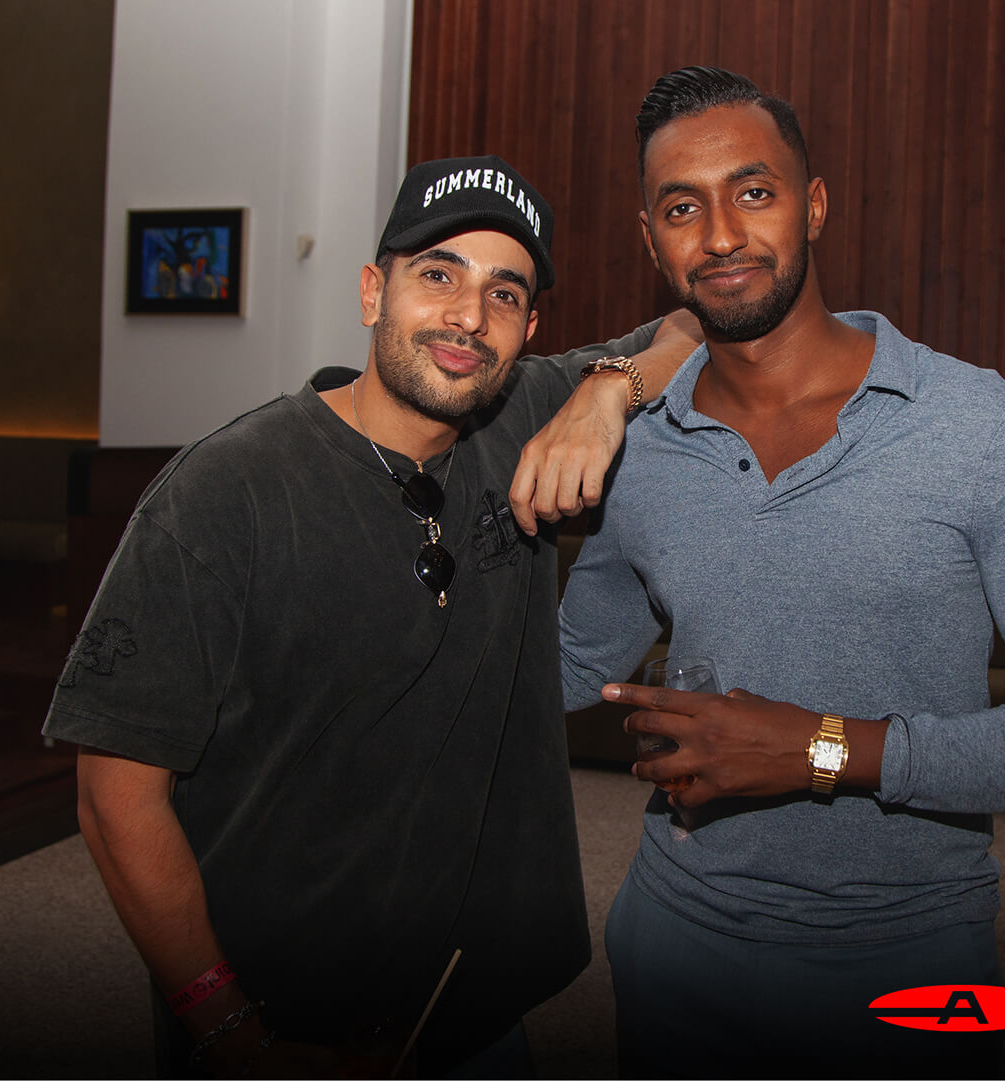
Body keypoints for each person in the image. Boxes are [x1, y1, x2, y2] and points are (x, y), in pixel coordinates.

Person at [556, 67, 1005, 1076]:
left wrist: (823, 749)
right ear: (650, 238)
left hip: (907, 967)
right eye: (682, 207)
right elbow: (571, 662)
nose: (721, 235)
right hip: (671, 948)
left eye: (754, 192)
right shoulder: (641, 447)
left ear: (815, 205)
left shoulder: (986, 429)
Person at [43, 155, 697, 1078]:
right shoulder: (223, 492)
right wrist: (230, 1033)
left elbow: (689, 323)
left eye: (503, 293)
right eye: (438, 274)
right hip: (275, 1019)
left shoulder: (524, 416)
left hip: (469, 1012)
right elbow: (115, 794)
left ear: (528, 330)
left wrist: (605, 392)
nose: (468, 316)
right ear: (371, 291)